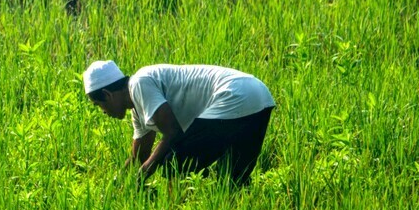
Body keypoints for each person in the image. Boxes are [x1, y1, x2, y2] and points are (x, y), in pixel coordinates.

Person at [83, 60, 275, 184]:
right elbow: (139, 156)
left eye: (98, 105)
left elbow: (172, 132)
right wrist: (117, 183)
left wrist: (143, 173)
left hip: (234, 95)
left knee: (173, 163)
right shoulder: (138, 110)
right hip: (259, 97)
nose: (103, 112)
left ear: (107, 94)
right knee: (231, 183)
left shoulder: (140, 83)